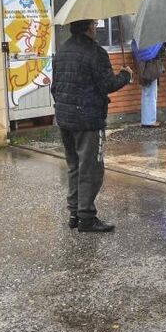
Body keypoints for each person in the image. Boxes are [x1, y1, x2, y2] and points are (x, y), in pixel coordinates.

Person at [51, 19, 132, 232]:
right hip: (88, 120)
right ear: (88, 27)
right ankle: (86, 217)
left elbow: (55, 87)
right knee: (91, 169)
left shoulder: (62, 50)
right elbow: (108, 84)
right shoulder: (96, 52)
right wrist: (126, 75)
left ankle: (74, 213)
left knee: (74, 166)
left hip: (65, 117)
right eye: (94, 24)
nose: (96, 27)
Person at [134, 42, 163, 128]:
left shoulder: (137, 42)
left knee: (146, 93)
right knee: (151, 94)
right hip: (150, 67)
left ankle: (146, 120)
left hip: (142, 66)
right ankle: (150, 121)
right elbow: (152, 54)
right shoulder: (152, 42)